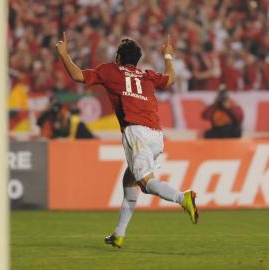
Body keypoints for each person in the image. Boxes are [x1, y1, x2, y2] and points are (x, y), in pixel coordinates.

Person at [56, 32, 198, 248]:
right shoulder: (146, 75)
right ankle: (119, 234)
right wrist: (168, 56)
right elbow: (170, 79)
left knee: (146, 184)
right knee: (129, 181)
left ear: (119, 58)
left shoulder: (110, 70)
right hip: (156, 135)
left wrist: (64, 54)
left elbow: (77, 75)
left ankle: (182, 198)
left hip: (136, 132)